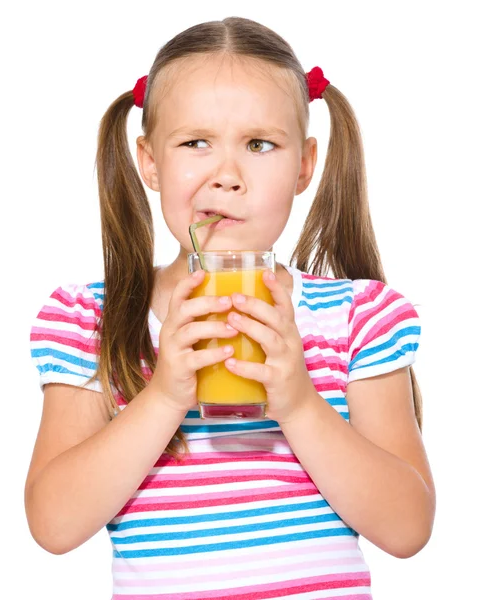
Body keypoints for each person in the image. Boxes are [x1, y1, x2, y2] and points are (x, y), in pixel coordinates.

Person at [25, 16, 436, 600]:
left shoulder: (358, 318)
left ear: (303, 165)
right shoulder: (91, 319)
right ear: (149, 161)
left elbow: (407, 527)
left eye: (259, 144)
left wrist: (298, 402)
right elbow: (54, 524)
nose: (227, 176)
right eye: (196, 143)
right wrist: (165, 393)